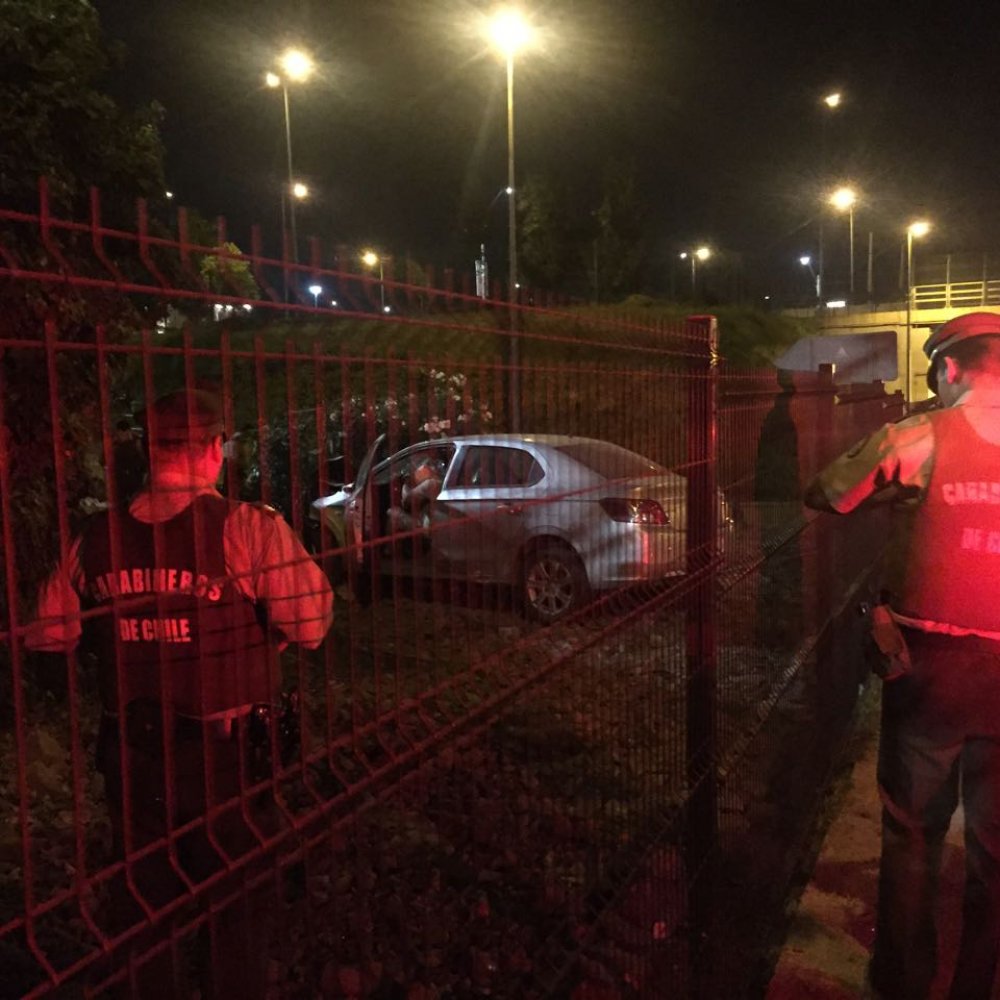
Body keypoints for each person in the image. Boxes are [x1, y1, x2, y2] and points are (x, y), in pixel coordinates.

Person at [27, 389, 334, 997]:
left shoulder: (96, 536)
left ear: (148, 450)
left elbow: (47, 634)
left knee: (145, 908)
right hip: (226, 760)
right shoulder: (249, 527)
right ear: (216, 449)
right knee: (237, 909)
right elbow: (312, 626)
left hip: (133, 756)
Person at [804, 311, 1000, 1000]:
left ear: (947, 368)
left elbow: (828, 491)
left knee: (911, 839)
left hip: (932, 671)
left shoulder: (921, 434)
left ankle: (900, 984)